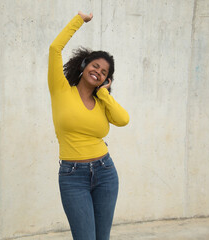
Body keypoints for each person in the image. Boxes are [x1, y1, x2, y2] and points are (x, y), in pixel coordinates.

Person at [48, 11, 130, 240]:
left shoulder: (102, 102)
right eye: (95, 66)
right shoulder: (61, 90)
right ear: (84, 66)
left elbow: (123, 120)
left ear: (106, 80)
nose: (98, 72)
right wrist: (79, 20)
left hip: (105, 172)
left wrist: (104, 95)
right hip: (73, 175)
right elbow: (55, 49)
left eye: (104, 72)